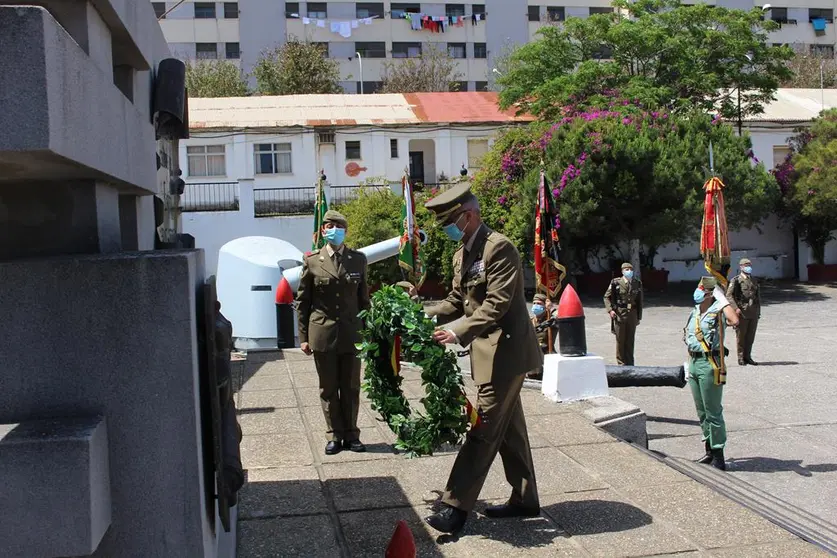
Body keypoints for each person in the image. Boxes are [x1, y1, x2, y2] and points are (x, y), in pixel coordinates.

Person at [422, 183, 542, 534]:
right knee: (510, 432)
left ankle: (455, 506)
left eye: (450, 222)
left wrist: (457, 331)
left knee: (483, 429)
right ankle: (525, 499)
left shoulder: (499, 247)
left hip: (506, 352)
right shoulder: (462, 253)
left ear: (469, 216)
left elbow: (497, 303)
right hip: (489, 352)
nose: (447, 229)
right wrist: (420, 313)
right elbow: (456, 301)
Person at [297, 210, 370, 455]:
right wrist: (304, 337)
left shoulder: (358, 259)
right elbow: (303, 301)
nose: (333, 230)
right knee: (328, 388)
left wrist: (368, 333)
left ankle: (351, 434)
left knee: (351, 387)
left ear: (345, 231)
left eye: (338, 226)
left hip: (351, 333)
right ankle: (334, 435)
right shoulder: (311, 260)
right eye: (329, 226)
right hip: (322, 333)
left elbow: (363, 300)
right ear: (322, 231)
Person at [683, 276, 739, 471]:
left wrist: (722, 299)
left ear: (709, 293)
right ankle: (708, 450)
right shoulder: (695, 311)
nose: (697, 293)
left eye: (701, 290)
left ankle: (718, 455)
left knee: (713, 411)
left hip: (710, 363)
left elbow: (734, 319)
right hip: (694, 362)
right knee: (701, 411)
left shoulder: (718, 311)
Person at [603, 262, 643, 366]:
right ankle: (621, 363)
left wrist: (639, 316)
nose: (629, 271)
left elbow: (639, 301)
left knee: (630, 340)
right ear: (622, 271)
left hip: (632, 314)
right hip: (620, 314)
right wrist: (610, 310)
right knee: (620, 340)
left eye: (630, 269)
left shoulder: (637, 283)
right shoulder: (615, 282)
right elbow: (606, 297)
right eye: (626, 269)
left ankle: (630, 363)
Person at [726, 257, 761, 366]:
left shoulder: (754, 280)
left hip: (753, 312)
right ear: (741, 267)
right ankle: (740, 357)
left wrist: (758, 312)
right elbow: (729, 295)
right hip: (742, 312)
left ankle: (748, 356)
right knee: (741, 336)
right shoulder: (736, 280)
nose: (748, 267)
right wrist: (736, 308)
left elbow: (757, 297)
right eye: (746, 265)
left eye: (749, 265)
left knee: (750, 336)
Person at [528, 293, 557, 380]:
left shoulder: (550, 321)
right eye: (534, 303)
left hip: (546, 358)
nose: (536, 306)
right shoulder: (529, 321)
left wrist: (551, 308)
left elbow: (561, 317)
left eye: (539, 304)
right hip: (532, 362)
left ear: (545, 306)